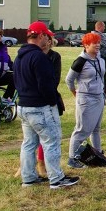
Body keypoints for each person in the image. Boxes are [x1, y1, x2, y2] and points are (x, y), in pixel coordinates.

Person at [14, 21, 79, 189]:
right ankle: (56, 179)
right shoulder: (39, 57)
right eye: (46, 36)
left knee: (29, 143)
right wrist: (52, 102)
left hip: (23, 105)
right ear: (41, 36)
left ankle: (28, 178)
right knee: (51, 141)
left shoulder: (19, 56)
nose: (48, 40)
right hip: (39, 107)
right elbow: (46, 85)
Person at [65, 32, 106, 169]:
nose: (98, 45)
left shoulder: (100, 59)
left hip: (99, 97)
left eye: (99, 43)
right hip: (86, 98)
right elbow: (69, 79)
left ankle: (98, 154)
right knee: (82, 130)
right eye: (94, 43)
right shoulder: (80, 61)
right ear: (86, 45)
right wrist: (75, 92)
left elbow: (103, 76)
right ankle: (72, 158)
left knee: (96, 129)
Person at [35, 31, 64, 177]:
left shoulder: (54, 56)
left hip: (48, 98)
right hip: (33, 100)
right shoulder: (34, 55)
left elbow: (54, 79)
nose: (48, 42)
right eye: (45, 38)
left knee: (46, 135)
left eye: (49, 39)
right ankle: (27, 164)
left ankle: (41, 163)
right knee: (32, 137)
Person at [94, 20, 106, 98]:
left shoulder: (102, 35)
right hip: (100, 58)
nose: (104, 28)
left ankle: (105, 92)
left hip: (104, 58)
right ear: (99, 26)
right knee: (104, 76)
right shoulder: (96, 35)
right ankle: (102, 92)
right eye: (104, 26)